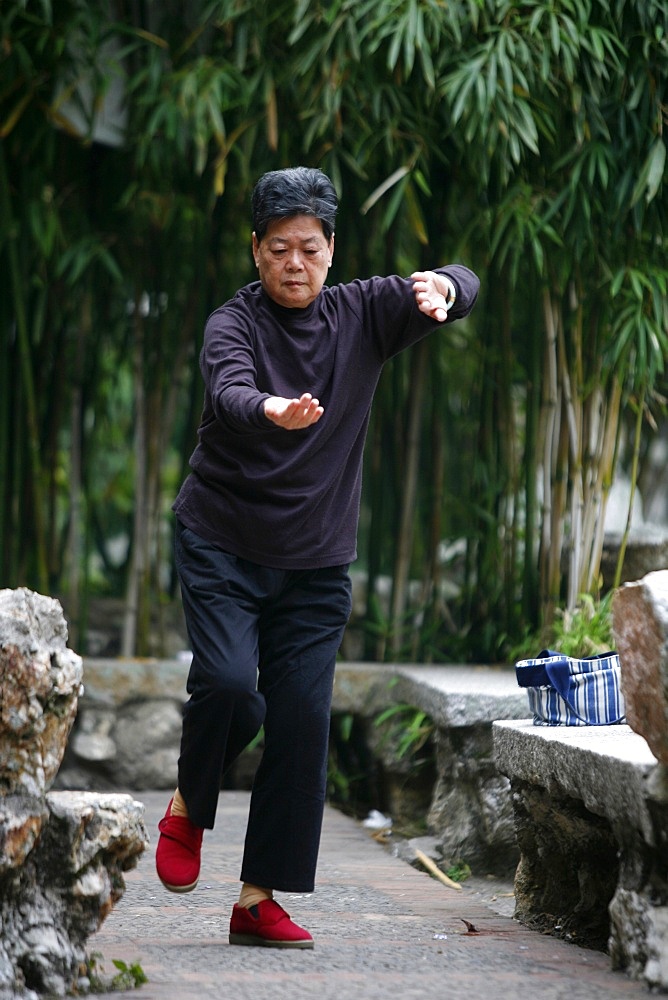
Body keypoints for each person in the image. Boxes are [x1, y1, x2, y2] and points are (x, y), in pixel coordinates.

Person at [156, 166, 480, 949]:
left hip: (316, 563)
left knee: (301, 722)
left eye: (308, 247)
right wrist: (269, 407)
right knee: (232, 685)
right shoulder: (231, 326)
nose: (293, 263)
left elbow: (462, 279)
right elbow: (232, 390)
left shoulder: (363, 313)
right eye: (277, 249)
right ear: (256, 252)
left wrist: (445, 286)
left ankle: (256, 900)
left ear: (332, 249)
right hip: (222, 542)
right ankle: (190, 806)